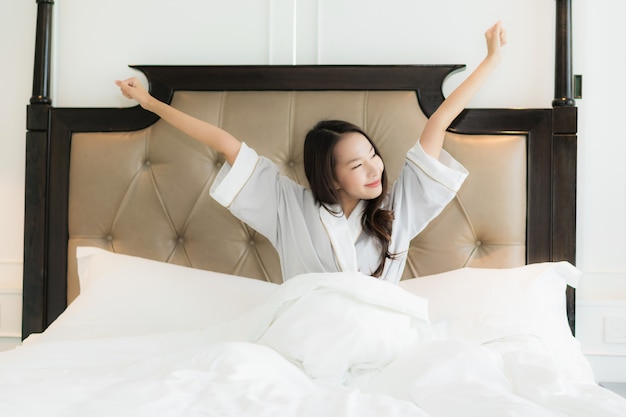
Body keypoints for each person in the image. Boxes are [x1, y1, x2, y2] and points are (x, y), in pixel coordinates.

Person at [116, 21, 507, 284]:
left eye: (373, 155)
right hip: (309, 331)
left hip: (380, 335)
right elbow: (225, 143)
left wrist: (492, 60)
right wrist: (152, 105)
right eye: (357, 164)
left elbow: (436, 123)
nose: (375, 169)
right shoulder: (286, 206)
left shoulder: (396, 208)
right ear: (331, 175)